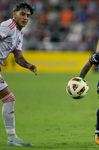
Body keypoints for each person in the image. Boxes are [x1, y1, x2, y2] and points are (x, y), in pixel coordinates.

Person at [0, 2, 37, 146]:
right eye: (22, 14)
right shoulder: (8, 26)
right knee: (9, 98)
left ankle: (12, 138)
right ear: (14, 14)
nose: (25, 18)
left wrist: (28, 65)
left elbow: (18, 57)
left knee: (9, 98)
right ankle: (12, 138)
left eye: (28, 15)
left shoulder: (19, 34)